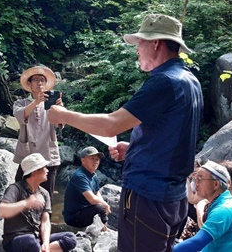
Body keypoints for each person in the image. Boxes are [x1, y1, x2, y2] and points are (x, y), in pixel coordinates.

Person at [47, 14, 203, 251]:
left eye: (139, 42)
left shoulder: (164, 82)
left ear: (156, 43)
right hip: (174, 197)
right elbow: (174, 138)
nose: (136, 49)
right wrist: (134, 150)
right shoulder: (190, 81)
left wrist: (63, 115)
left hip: (149, 197)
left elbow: (112, 124)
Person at [0, 153, 77, 252]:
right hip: (16, 240)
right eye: (44, 167)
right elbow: (1, 211)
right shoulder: (15, 188)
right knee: (30, 241)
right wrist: (26, 203)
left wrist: (45, 243)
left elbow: (45, 221)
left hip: (36, 238)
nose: (47, 170)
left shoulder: (45, 193)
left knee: (71, 238)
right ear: (35, 171)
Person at [174, 161, 232, 252]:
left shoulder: (224, 209)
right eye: (195, 179)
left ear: (215, 184)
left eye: (200, 179)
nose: (196, 183)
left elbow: (197, 242)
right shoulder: (221, 203)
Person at [13, 65, 64, 202]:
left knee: (47, 194)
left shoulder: (52, 104)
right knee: (20, 188)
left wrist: (61, 109)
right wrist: (36, 102)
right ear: (29, 84)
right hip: (28, 153)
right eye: (36, 79)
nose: (40, 82)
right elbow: (20, 115)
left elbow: (61, 124)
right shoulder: (21, 102)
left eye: (42, 80)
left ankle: (45, 220)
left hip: (48, 152)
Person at [63, 146, 111, 228]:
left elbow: (96, 192)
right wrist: (105, 205)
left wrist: (104, 203)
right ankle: (104, 230)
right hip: (74, 217)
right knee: (100, 207)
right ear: (83, 160)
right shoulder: (79, 176)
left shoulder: (93, 175)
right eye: (92, 158)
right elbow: (92, 199)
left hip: (85, 210)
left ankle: (103, 228)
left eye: (97, 159)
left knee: (104, 201)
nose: (95, 162)